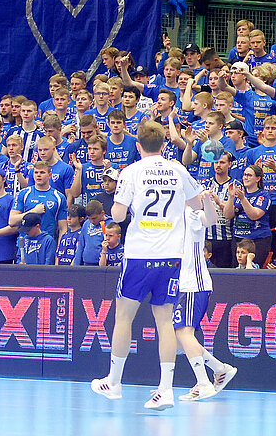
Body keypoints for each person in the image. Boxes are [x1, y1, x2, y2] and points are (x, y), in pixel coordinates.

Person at [90, 123, 210, 411]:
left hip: (140, 254)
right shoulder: (178, 169)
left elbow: (117, 215)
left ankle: (114, 382)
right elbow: (196, 204)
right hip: (172, 256)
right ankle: (165, 390)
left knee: (124, 317)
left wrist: (124, 209)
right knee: (165, 321)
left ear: (138, 146)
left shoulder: (131, 171)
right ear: (164, 145)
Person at [174, 199, 237, 401]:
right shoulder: (170, 216)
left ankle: (204, 383)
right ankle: (220, 369)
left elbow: (210, 219)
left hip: (194, 283)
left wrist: (207, 201)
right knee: (178, 339)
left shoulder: (192, 213)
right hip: (181, 284)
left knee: (184, 333)